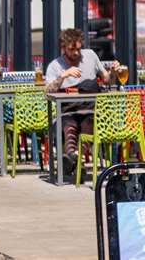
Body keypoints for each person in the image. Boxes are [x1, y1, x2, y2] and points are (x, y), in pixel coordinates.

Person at [45, 28, 121, 176]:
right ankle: (75, 158)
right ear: (63, 48)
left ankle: (73, 158)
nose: (76, 53)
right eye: (71, 49)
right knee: (69, 126)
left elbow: (107, 80)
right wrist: (63, 76)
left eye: (78, 49)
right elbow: (47, 91)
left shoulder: (90, 56)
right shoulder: (55, 65)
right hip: (68, 111)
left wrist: (113, 73)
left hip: (91, 110)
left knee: (89, 125)